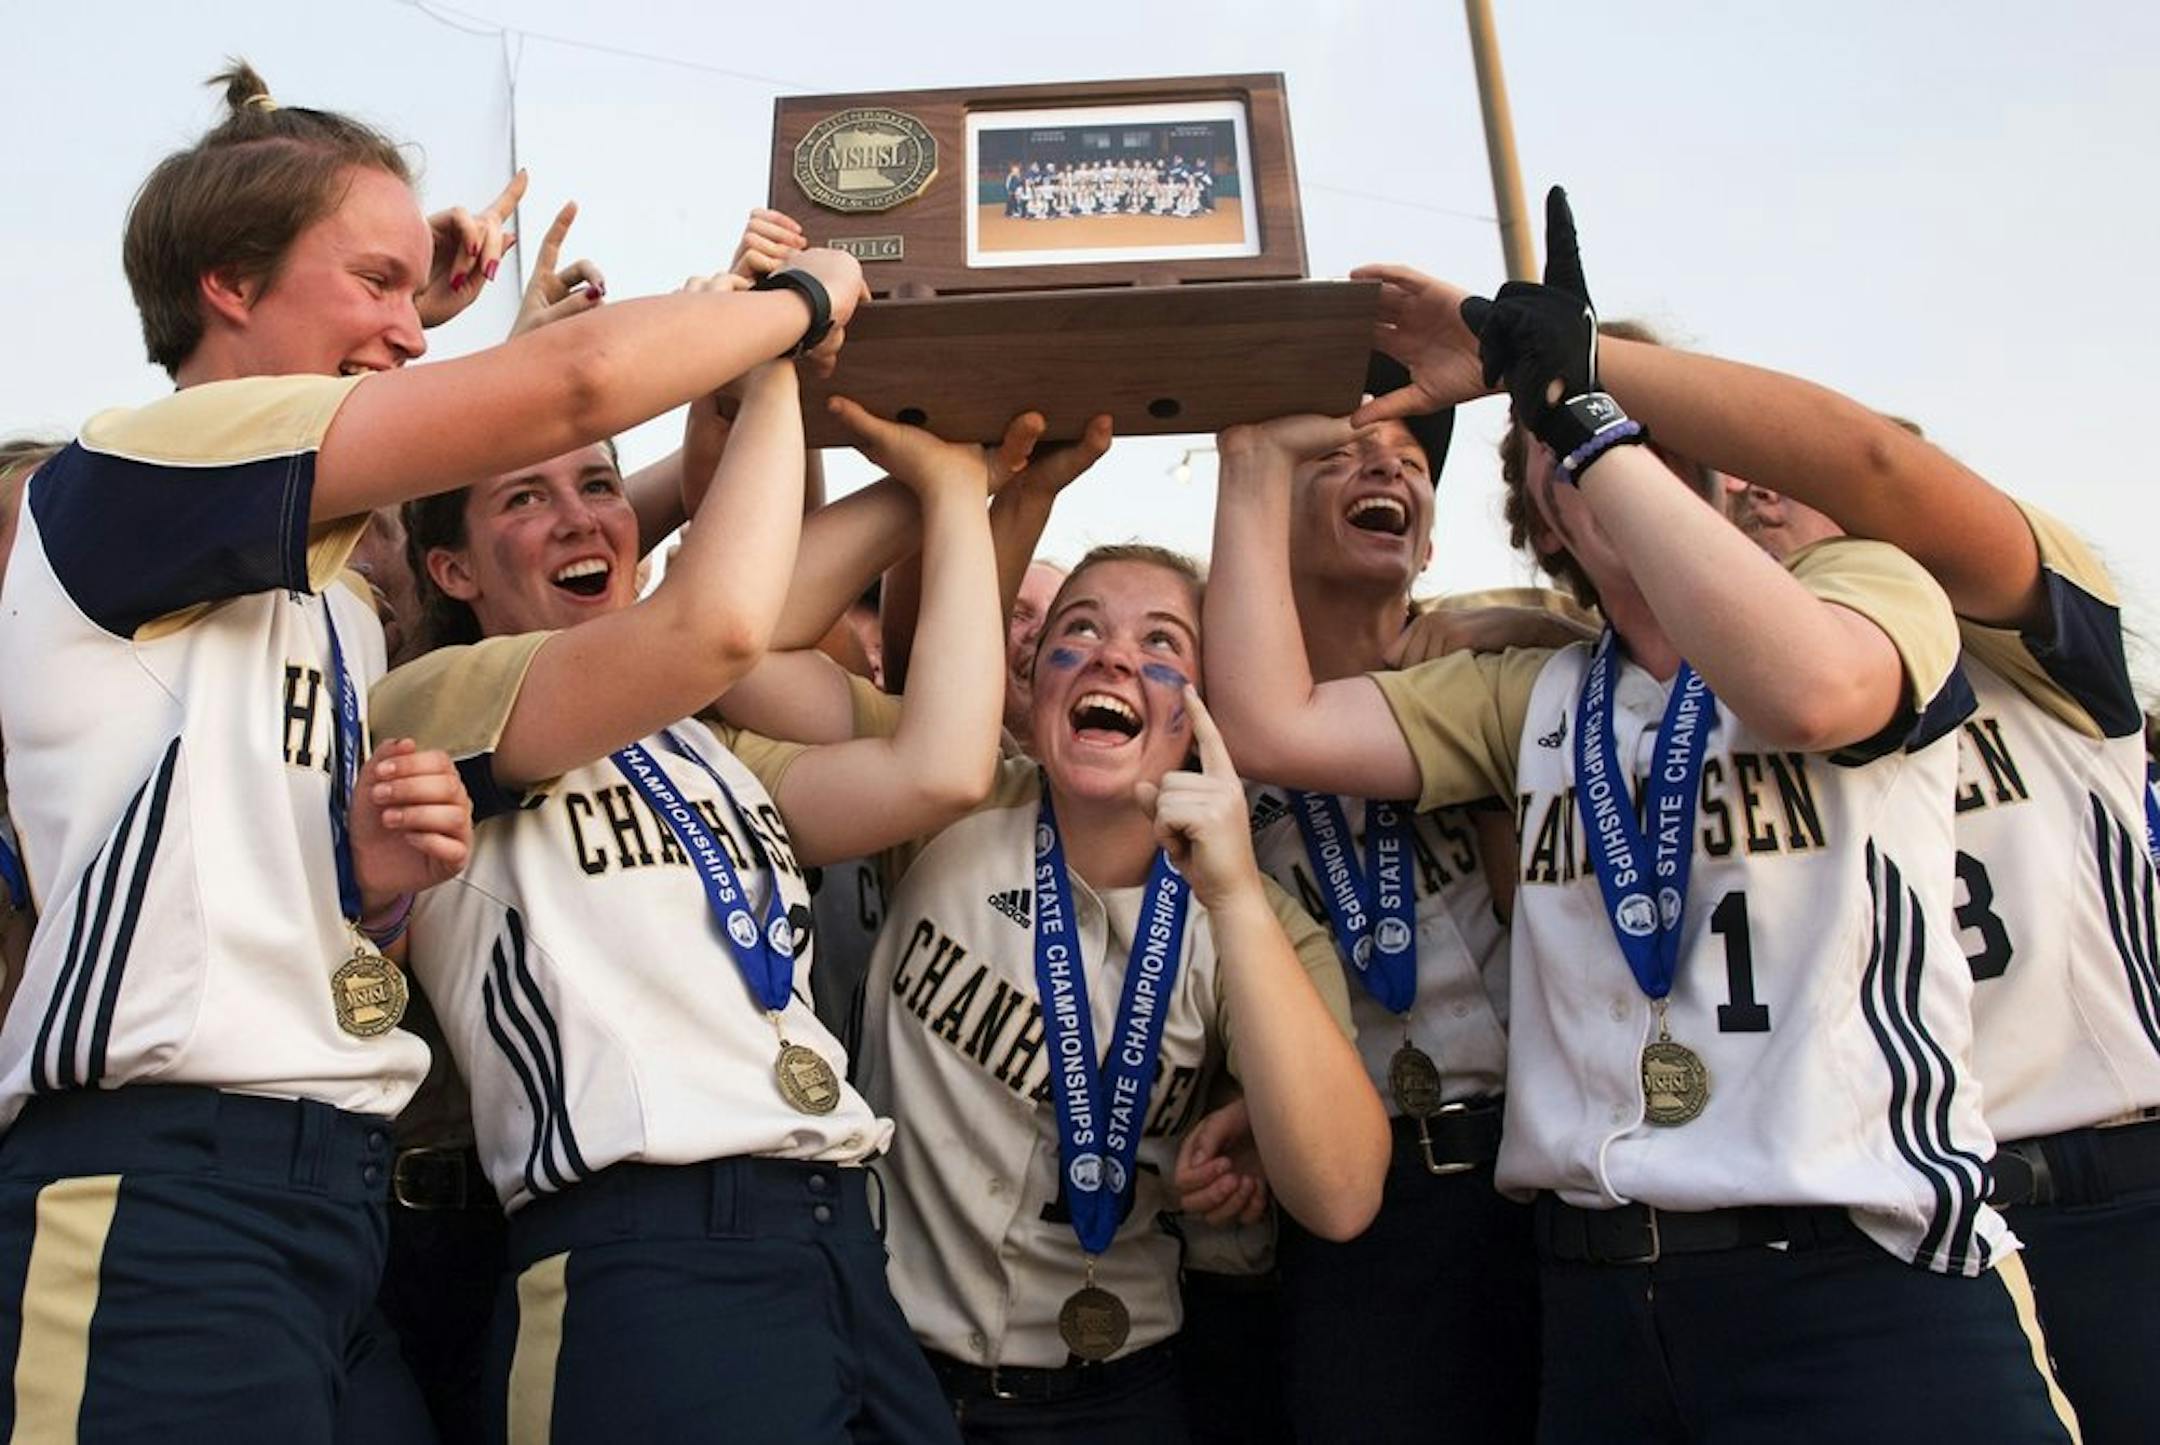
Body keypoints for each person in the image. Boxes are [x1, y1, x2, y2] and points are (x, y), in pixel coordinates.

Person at [0, 58, 865, 1440]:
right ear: (228, 283)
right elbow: (574, 388)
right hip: (159, 1183)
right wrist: (797, 304)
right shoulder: (136, 467)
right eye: (376, 282)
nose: (410, 329)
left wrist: (374, 880)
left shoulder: (331, 596)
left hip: (323, 1187)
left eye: (421, 292)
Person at [1203, 190, 2080, 1443]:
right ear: (1545, 519)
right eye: (1560, 455)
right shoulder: (1537, 691)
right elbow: (1277, 721)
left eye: (1642, 438)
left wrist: (1589, 406)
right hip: (1606, 1294)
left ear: (1716, 481)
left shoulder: (1862, 587)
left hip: (1857, 1274)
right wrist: (1250, 461)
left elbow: (1814, 689)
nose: (1596, 450)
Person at [378, 356, 1016, 1440]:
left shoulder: (709, 747)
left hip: (835, 1234)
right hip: (638, 1244)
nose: (582, 518)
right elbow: (719, 620)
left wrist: (954, 483)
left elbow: (942, 765)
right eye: (525, 499)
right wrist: (773, 361)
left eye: (600, 485)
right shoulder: (433, 702)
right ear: (451, 568)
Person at [1621, 367, 2159, 1445]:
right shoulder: (1739, 698)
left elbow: (1890, 471)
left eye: (1791, 475)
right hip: (1903, 1210)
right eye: (1739, 487)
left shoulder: (2046, 652)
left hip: (2107, 1186)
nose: (1756, 494)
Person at [835, 543, 1388, 1443]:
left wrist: (1237, 895)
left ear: (1206, 705)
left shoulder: (1261, 921)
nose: (1114, 656)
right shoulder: (944, 792)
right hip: (882, 1370)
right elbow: (761, 669)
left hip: (1112, 1400)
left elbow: (1342, 1193)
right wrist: (953, 486)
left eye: (1161, 640)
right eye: (1079, 628)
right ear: (1035, 683)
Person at [1213, 356, 1539, 1443]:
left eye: (1408, 460)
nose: (1383, 465)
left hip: (1547, 1171)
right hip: (1364, 1206)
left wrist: (1516, 631)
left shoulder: (1505, 683)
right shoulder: (1212, 740)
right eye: (1342, 452)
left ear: (1432, 540)